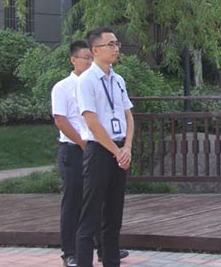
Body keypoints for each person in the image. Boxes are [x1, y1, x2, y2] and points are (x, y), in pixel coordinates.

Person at [75, 27, 134, 267]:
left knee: (114, 214)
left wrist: (127, 147)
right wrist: (115, 151)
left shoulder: (118, 80)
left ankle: (111, 261)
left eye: (117, 43)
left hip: (120, 150)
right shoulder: (87, 80)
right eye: (110, 44)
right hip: (100, 150)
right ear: (95, 50)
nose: (116, 48)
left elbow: (128, 115)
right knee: (90, 214)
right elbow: (91, 121)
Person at [52, 40, 93, 267]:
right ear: (73, 60)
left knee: (97, 199)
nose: (89, 62)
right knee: (73, 201)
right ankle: (69, 252)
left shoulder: (95, 85)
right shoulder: (62, 87)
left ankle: (102, 247)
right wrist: (83, 143)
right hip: (73, 150)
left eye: (91, 58)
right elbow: (61, 120)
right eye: (85, 58)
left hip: (95, 149)